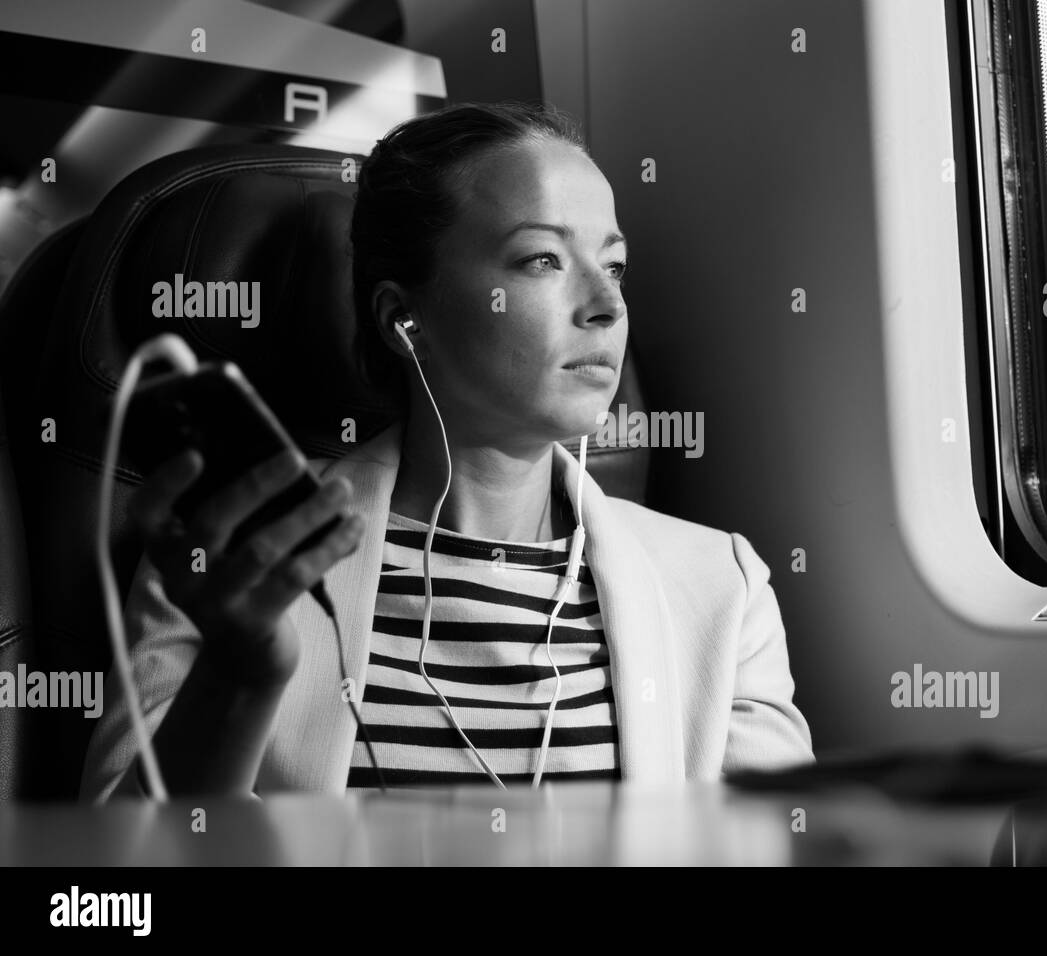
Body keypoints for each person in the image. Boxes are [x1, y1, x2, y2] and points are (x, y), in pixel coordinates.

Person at [81, 101, 813, 800]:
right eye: (541, 260)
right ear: (406, 318)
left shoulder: (720, 589)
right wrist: (237, 678)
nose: (607, 305)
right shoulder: (242, 558)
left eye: (614, 265)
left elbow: (786, 846)